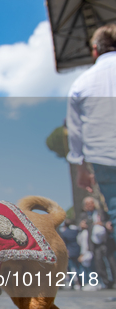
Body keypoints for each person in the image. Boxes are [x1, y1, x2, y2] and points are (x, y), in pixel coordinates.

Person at [67, 24, 116, 246]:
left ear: (95, 49)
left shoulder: (80, 83)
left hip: (105, 158)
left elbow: (76, 132)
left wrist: (80, 168)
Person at [79, 197, 116, 289]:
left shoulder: (101, 212)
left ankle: (114, 280)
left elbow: (108, 222)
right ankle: (106, 282)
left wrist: (102, 224)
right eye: (87, 203)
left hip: (105, 240)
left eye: (91, 203)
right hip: (93, 242)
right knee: (99, 263)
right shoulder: (84, 215)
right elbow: (79, 225)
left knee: (111, 261)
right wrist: (81, 226)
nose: (89, 205)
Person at [60, 219, 83, 289]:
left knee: (70, 269)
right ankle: (81, 282)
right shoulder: (75, 231)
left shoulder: (64, 233)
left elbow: (64, 244)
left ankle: (72, 283)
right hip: (77, 251)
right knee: (79, 267)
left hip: (69, 252)